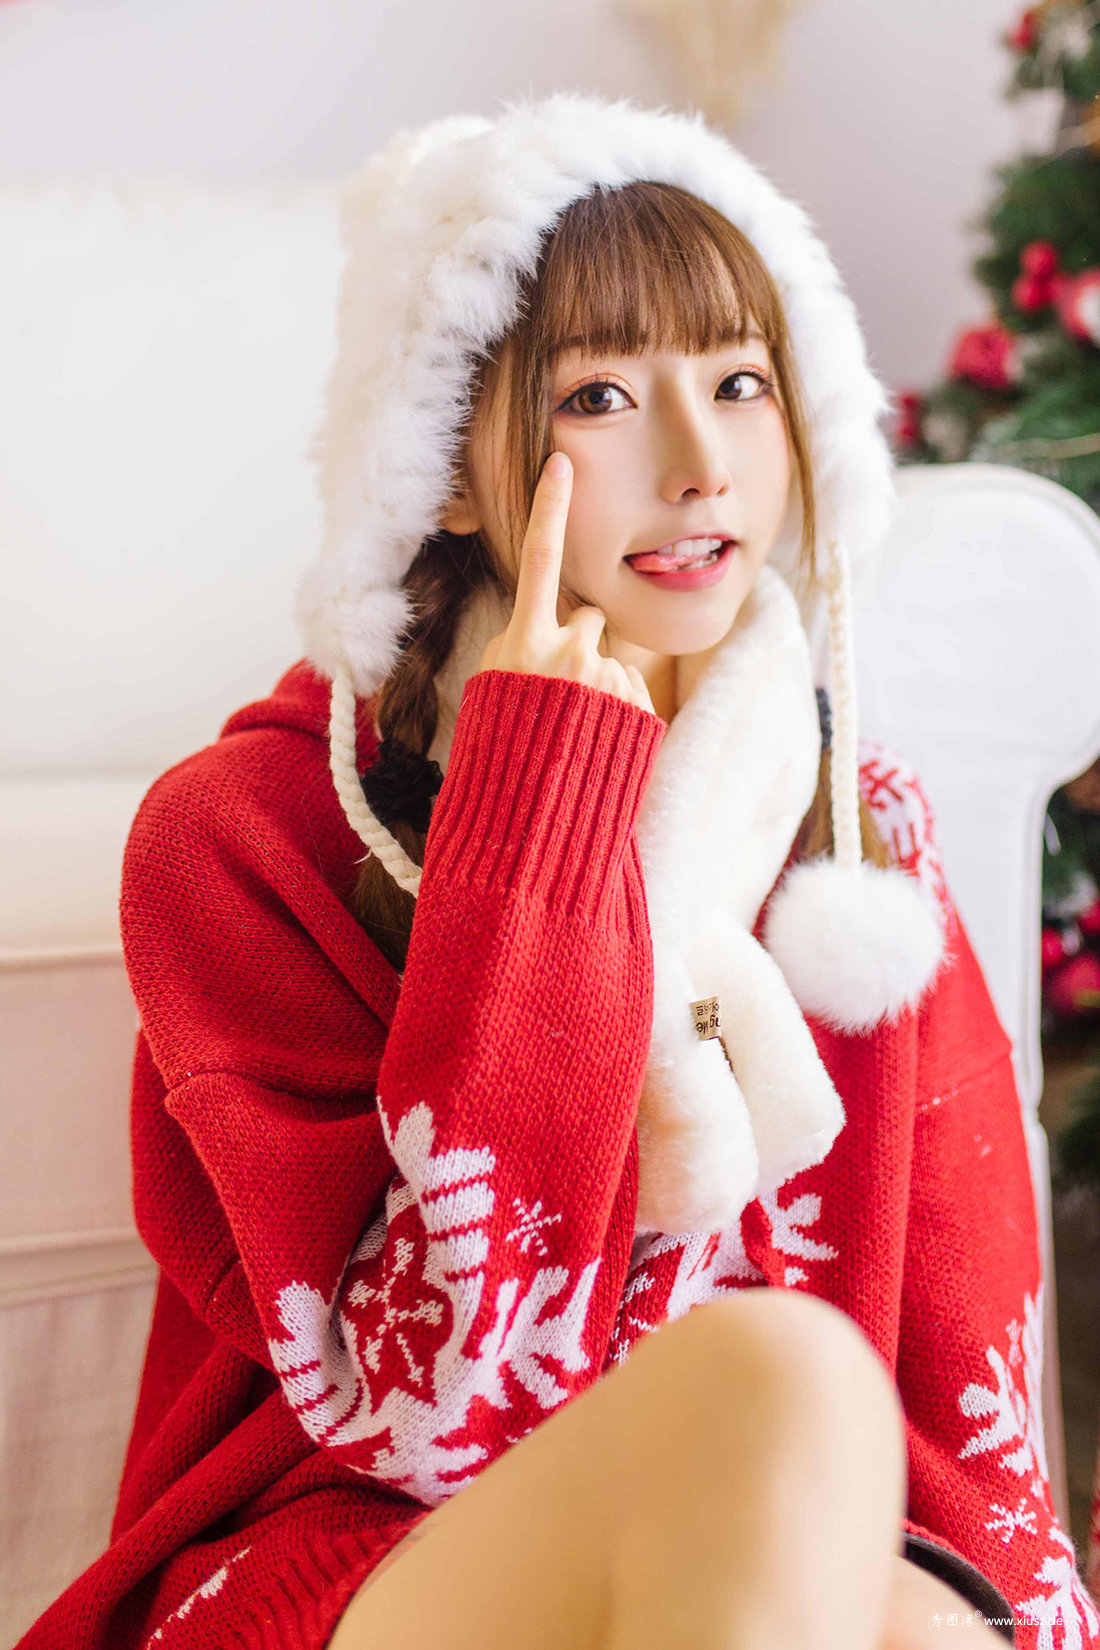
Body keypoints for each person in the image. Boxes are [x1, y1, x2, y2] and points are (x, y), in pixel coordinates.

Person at [18, 93, 1098, 1650]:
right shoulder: (246, 839)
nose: (699, 464)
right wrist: (537, 808)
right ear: (446, 472)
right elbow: (438, 1407)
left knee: (930, 1610)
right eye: (600, 394)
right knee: (785, 1367)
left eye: (739, 382)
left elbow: (978, 1440)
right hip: (380, 1552)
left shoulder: (857, 839)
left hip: (782, 1574)